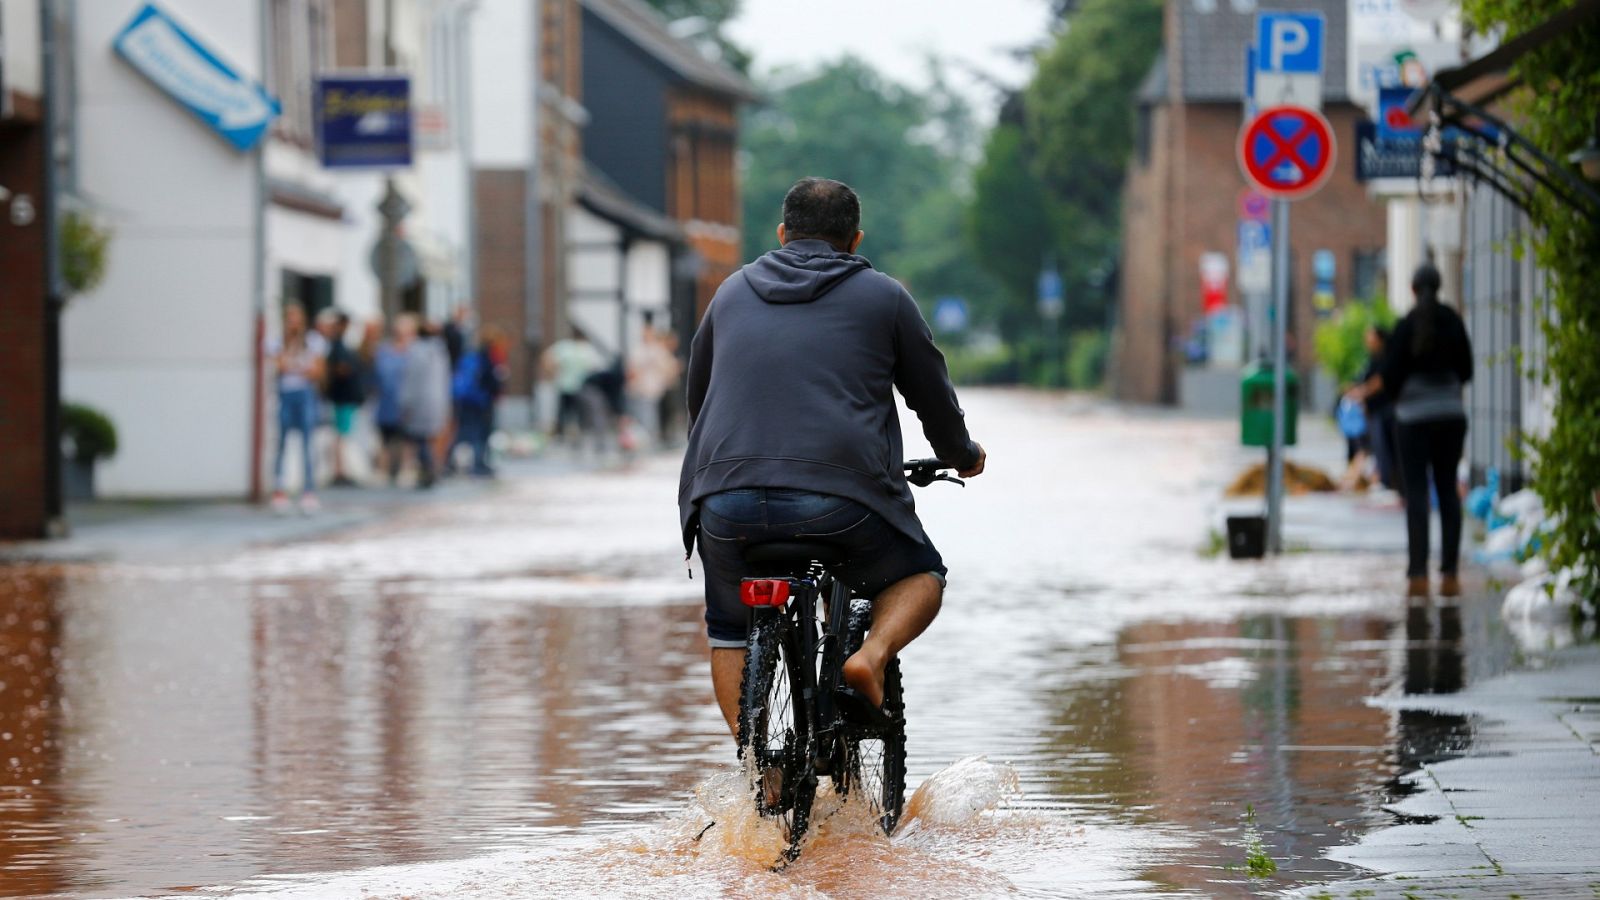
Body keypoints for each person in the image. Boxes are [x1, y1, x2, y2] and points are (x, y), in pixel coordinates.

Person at [679, 177, 986, 741]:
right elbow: (931, 396)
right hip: (840, 501)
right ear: (855, 239)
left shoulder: (730, 293)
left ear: (781, 233)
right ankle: (869, 656)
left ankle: (760, 774)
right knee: (922, 575)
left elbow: (699, 400)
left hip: (725, 500)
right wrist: (960, 454)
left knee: (729, 631)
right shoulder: (885, 296)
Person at [1348, 262, 1472, 598]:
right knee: (1447, 491)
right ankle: (1449, 567)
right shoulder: (1453, 322)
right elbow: (1467, 370)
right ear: (1439, 286)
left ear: (1413, 289)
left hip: (1413, 421)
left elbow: (1389, 377)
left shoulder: (1405, 327)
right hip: (1451, 416)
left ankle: (1417, 569)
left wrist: (1406, 394)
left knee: (1416, 492)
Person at [267, 303, 328, 514]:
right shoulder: (278, 341)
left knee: (307, 443)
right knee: (281, 442)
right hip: (286, 395)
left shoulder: (313, 341)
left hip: (305, 395)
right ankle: (279, 489)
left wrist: (294, 367)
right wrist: (300, 366)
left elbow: (317, 370)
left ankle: (308, 491)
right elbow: (279, 365)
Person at [452, 323, 510, 476]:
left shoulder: (475, 354)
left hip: (470, 399)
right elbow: (489, 379)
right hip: (481, 400)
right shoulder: (488, 356)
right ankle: (478, 464)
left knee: (466, 431)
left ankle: (454, 462)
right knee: (479, 432)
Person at [400, 320, 452, 488]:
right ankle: (432, 468)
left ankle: (427, 469)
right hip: (438, 400)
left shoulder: (416, 352)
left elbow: (411, 379)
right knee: (430, 437)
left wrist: (406, 402)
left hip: (420, 401)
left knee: (419, 438)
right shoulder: (440, 352)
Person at [318, 310, 365, 488]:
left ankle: (340, 469)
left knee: (342, 435)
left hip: (344, 396)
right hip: (342, 396)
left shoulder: (337, 344)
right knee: (341, 435)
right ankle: (339, 471)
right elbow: (338, 368)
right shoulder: (336, 345)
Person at [627, 313, 682, 448]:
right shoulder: (641, 350)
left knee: (651, 417)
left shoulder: (655, 350)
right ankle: (646, 441)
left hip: (654, 389)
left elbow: (668, 368)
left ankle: (650, 441)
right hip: (643, 389)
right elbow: (632, 370)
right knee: (644, 417)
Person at [542, 328, 602, 445]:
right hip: (580, 387)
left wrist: (553, 372)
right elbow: (596, 367)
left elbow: (546, 357)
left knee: (564, 413)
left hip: (565, 385)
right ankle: (577, 437)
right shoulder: (586, 349)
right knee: (578, 414)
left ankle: (562, 437)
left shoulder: (564, 347)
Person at [374, 315, 415, 485]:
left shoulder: (414, 351)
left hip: (408, 401)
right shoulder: (384, 350)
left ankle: (406, 469)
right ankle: (385, 471)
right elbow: (380, 374)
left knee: (407, 437)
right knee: (386, 438)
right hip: (387, 401)